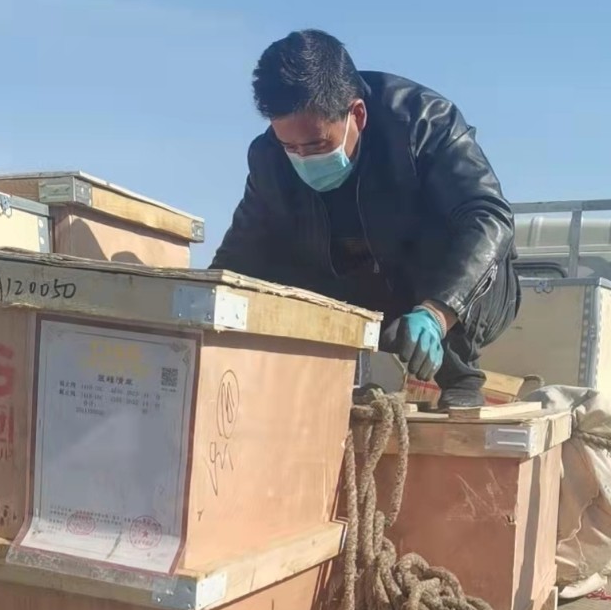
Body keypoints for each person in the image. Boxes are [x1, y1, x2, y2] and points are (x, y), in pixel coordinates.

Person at [211, 29, 520, 409]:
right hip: (358, 289)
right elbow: (241, 249)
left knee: (452, 235)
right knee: (270, 259)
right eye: (290, 146)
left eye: (318, 144)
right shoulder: (268, 158)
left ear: (356, 114)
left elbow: (489, 216)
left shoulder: (422, 122)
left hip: (446, 295)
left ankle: (460, 374)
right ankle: (311, 379)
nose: (303, 158)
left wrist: (438, 312)